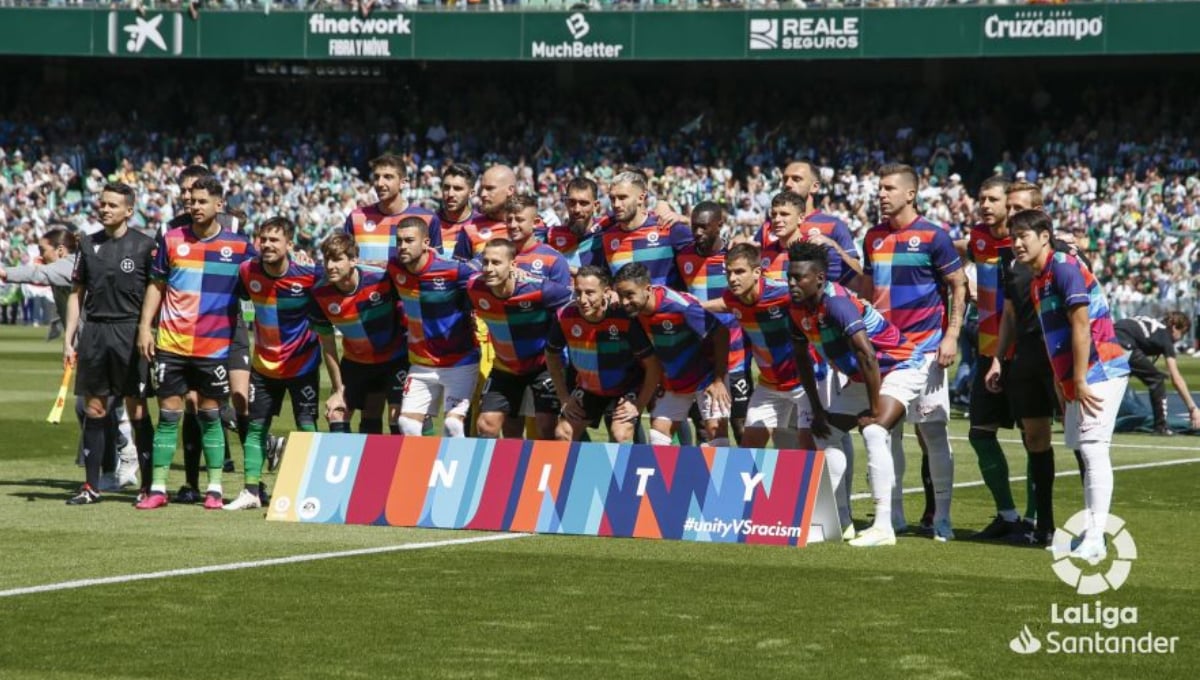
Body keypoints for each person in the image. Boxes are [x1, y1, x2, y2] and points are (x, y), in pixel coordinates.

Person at [787, 241, 929, 547]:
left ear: (820, 279)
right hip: (864, 376)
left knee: (875, 432)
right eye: (790, 277)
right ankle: (840, 521)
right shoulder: (796, 310)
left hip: (901, 365)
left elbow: (868, 355)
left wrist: (875, 410)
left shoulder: (837, 304)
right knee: (825, 435)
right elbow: (802, 360)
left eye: (799, 278)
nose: (792, 283)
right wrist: (818, 410)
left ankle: (883, 527)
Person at [1010, 209, 1130, 562]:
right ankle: (1091, 534)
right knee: (1083, 448)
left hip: (1100, 368)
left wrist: (1077, 379)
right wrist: (1062, 381)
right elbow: (1054, 336)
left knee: (1093, 450)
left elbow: (1081, 324)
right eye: (1014, 237)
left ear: (1044, 237)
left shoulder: (1063, 268)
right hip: (1077, 376)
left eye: (1024, 236)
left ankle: (1096, 538)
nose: (1017, 243)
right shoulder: (1038, 281)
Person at [859, 163, 967, 541]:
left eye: (889, 188)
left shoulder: (934, 236)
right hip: (885, 353)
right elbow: (869, 289)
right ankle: (894, 515)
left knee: (933, 432)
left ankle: (943, 519)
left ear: (910, 194)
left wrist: (952, 335)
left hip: (925, 351)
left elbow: (958, 285)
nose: (881, 194)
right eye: (880, 188)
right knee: (886, 433)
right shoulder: (872, 237)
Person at [135, 177, 256, 510]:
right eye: (192, 201)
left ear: (219, 205)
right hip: (171, 344)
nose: (195, 206)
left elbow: (264, 275)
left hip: (213, 347)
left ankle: (214, 489)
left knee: (210, 415)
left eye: (203, 201)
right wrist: (145, 327)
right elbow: (156, 285)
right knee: (168, 416)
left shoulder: (240, 247)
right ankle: (158, 488)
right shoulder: (172, 239)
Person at [983, 180, 1069, 546]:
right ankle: (1044, 525)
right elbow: (1010, 315)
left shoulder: (1065, 256)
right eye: (1010, 209)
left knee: (1081, 439)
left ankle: (1093, 526)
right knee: (1034, 438)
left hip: (1059, 356)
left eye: (1020, 209)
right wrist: (998, 359)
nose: (1012, 215)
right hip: (1026, 358)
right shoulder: (1011, 261)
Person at [228, 217, 334, 510]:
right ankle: (251, 491)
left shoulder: (309, 273)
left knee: (306, 425)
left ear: (290, 244)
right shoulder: (247, 270)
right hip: (264, 366)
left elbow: (343, 278)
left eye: (274, 240)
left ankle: (312, 489)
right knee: (256, 427)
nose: (267, 245)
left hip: (302, 365)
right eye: (263, 239)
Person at [59, 184, 156, 505]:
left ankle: (148, 486)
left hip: (130, 333)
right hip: (96, 333)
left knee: (137, 409)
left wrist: (147, 329)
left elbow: (156, 291)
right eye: (102, 204)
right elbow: (77, 293)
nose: (105, 209)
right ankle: (91, 486)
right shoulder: (87, 244)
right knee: (94, 409)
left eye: (113, 205)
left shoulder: (145, 246)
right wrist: (69, 339)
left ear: (129, 210)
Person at [957, 177, 1028, 540]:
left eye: (993, 199)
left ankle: (1035, 521)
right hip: (988, 352)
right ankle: (1008, 515)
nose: (985, 205)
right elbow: (956, 249)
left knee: (1035, 438)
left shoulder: (1024, 242)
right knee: (980, 434)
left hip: (1024, 354)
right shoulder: (978, 236)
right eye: (981, 198)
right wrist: (963, 282)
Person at [704, 243, 815, 450]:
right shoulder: (732, 298)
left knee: (809, 446)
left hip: (804, 381)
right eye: (729, 272)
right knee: (749, 447)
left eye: (739, 272)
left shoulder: (782, 292)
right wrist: (694, 305)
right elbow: (724, 304)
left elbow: (821, 293)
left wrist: (856, 303)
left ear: (757, 272)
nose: (732, 278)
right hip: (769, 384)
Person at [613, 262, 732, 447]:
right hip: (675, 381)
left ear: (648, 289)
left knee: (717, 437)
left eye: (629, 295)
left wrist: (718, 380)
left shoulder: (681, 307)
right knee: (657, 436)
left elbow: (721, 333)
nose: (624, 302)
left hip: (707, 377)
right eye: (620, 295)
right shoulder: (635, 310)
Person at [468, 238, 572, 439]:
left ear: (513, 264)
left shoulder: (539, 289)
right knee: (487, 425)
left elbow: (575, 303)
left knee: (546, 426)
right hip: (504, 367)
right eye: (485, 262)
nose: (489, 269)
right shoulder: (474, 287)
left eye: (496, 263)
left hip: (542, 366)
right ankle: (505, 461)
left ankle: (551, 461)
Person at [387, 216, 480, 438]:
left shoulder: (453, 271)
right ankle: (424, 462)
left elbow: (482, 275)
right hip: (421, 363)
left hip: (459, 361)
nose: (402, 246)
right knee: (406, 424)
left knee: (452, 425)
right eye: (399, 241)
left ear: (426, 243)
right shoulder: (395, 267)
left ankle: (460, 461)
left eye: (409, 240)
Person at [545, 265, 661, 443]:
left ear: (606, 292)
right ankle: (584, 462)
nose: (582, 300)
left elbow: (652, 365)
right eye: (578, 292)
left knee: (620, 435)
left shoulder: (624, 317)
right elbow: (551, 356)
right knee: (563, 433)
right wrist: (564, 398)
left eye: (590, 293)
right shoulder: (564, 316)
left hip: (626, 388)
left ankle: (630, 460)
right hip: (588, 389)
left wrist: (638, 406)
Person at [308, 232, 407, 435]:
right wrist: (338, 389)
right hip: (356, 361)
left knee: (399, 417)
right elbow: (328, 346)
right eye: (327, 260)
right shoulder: (319, 294)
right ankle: (345, 456)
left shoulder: (382, 278)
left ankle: (409, 456)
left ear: (353, 260)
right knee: (336, 412)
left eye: (337, 259)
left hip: (395, 359)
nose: (330, 266)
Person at [591, 171, 693, 288]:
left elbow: (705, 252)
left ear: (641, 197)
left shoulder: (667, 227)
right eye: (612, 198)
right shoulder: (607, 236)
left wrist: (688, 221)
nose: (616, 204)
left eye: (622, 197)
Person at [344, 154, 442, 268]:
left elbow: (436, 266)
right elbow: (344, 261)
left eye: (388, 177)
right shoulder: (356, 217)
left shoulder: (428, 219)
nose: (380, 183)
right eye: (376, 177)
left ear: (403, 182)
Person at [1113, 313, 1200, 434]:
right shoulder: (1165, 337)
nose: (1180, 338)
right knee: (1157, 380)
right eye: (1182, 333)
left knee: (1115, 382)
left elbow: (1138, 364)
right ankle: (1161, 427)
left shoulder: (1154, 327)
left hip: (1106, 340)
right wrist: (1193, 408)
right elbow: (1176, 379)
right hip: (1122, 343)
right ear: (1174, 327)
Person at [504, 194, 571, 287]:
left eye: (519, 220)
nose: (513, 225)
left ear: (535, 223)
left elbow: (564, 293)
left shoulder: (554, 259)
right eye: (509, 220)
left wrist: (527, 278)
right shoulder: (496, 254)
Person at [452, 164, 514, 260]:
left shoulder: (532, 226)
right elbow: (458, 268)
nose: (482, 194)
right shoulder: (470, 228)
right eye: (481, 188)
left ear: (510, 190)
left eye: (490, 188)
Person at [544, 176, 605, 271]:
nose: (577, 210)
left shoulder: (606, 230)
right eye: (572, 202)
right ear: (566, 203)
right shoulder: (551, 234)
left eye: (583, 203)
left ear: (596, 206)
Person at [436, 163, 477, 259]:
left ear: (471, 193)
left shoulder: (480, 225)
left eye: (457, 189)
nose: (450, 194)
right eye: (446, 187)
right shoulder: (430, 224)